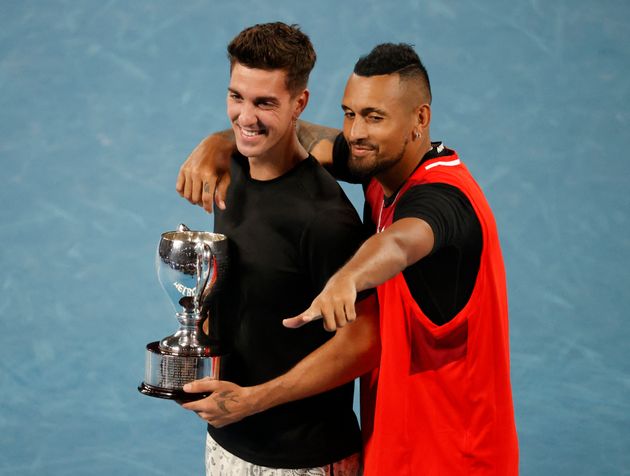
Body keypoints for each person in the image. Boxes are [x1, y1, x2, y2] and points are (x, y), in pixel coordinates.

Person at [177, 42, 519, 475]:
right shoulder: (377, 167)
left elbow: (400, 242)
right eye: (349, 113)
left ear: (420, 119)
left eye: (375, 117)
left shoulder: (448, 200)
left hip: (456, 456)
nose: (355, 133)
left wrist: (349, 277)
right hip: (396, 444)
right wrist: (218, 142)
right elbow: (297, 134)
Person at [177, 22, 380, 476]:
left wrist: (252, 400)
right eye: (237, 97)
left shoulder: (326, 221)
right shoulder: (228, 171)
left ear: (299, 104)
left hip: (304, 460)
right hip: (225, 441)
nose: (245, 117)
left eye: (265, 103)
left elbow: (365, 342)